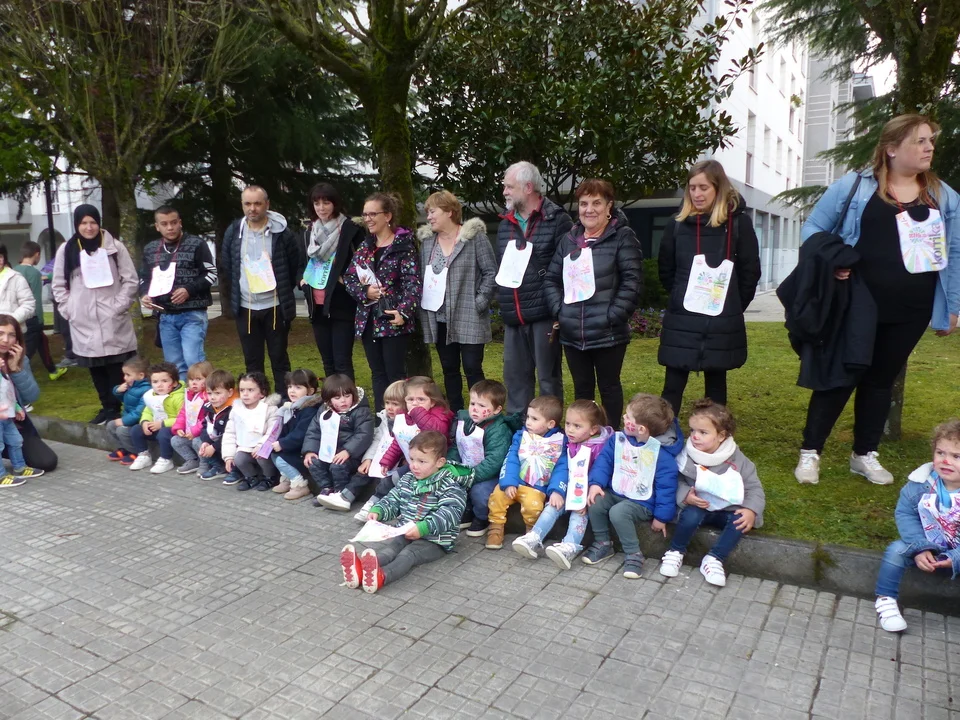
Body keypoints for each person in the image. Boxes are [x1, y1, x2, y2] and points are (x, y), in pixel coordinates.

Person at [793, 115, 960, 486]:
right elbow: (813, 229)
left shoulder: (944, 197)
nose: (929, 147)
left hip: (912, 308)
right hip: (858, 304)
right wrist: (834, 260)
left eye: (931, 140)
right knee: (841, 375)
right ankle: (810, 452)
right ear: (892, 149)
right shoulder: (854, 187)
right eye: (920, 141)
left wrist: (952, 307)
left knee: (881, 379)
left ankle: (864, 454)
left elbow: (956, 253)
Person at [657, 161, 762, 416]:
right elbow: (666, 269)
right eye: (692, 187)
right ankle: (664, 433)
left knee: (716, 386)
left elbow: (750, 272)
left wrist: (731, 305)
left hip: (720, 321)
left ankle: (714, 433)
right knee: (672, 386)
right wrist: (682, 296)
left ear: (718, 188)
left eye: (703, 187)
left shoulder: (738, 224)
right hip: (683, 319)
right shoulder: (677, 224)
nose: (697, 194)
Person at [544, 179, 642, 425]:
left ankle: (611, 436)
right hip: (572, 331)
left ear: (609, 206)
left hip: (608, 331)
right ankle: (584, 436)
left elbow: (632, 282)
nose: (589, 209)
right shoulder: (568, 240)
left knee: (609, 387)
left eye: (596, 203)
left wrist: (612, 316)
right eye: (584, 203)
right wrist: (560, 311)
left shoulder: (622, 237)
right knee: (582, 389)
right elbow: (552, 279)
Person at [339, 431, 473, 593]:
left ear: (440, 462)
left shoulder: (450, 485)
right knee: (391, 549)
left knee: (408, 554)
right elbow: (394, 498)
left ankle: (381, 576)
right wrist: (379, 510)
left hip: (436, 541)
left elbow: (449, 514)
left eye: (422, 461)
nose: (414, 465)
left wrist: (423, 527)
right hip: (406, 531)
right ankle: (360, 568)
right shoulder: (408, 479)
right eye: (412, 459)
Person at [659, 399, 764, 587]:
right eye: (692, 431)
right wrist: (686, 496)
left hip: (727, 509)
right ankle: (675, 551)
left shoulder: (738, 459)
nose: (695, 437)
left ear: (721, 436)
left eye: (703, 432)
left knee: (740, 521)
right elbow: (675, 479)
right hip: (698, 506)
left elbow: (754, 487)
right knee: (691, 515)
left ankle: (715, 559)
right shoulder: (686, 455)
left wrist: (750, 510)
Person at [495, 162, 572, 414]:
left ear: (528, 187)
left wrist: (558, 309)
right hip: (514, 315)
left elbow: (567, 268)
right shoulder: (505, 223)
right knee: (515, 379)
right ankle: (519, 429)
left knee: (548, 380)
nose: (505, 191)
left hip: (543, 314)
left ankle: (549, 429)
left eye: (509, 186)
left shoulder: (557, 220)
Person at [52, 204, 139, 425]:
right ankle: (107, 408)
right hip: (84, 321)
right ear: (77, 224)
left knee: (116, 368)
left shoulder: (114, 247)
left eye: (93, 222)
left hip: (113, 319)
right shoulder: (67, 249)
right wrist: (69, 309)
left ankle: (118, 410)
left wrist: (119, 306)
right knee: (96, 368)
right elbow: (58, 285)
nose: (89, 227)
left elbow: (130, 280)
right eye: (83, 223)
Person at [874, 419, 960, 633]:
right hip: (927, 546)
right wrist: (920, 547)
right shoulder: (920, 484)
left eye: (956, 456)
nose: (946, 461)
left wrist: (956, 558)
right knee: (896, 550)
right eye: (940, 453)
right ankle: (886, 600)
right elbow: (905, 514)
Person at [585, 394, 683, 579]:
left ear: (641, 429)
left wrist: (662, 517)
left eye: (628, 416)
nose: (624, 417)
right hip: (618, 491)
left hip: (643, 502)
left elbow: (666, 488)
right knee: (595, 501)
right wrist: (596, 484)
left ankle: (633, 554)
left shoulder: (661, 456)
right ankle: (603, 543)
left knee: (619, 512)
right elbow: (604, 462)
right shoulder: (618, 441)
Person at [221, 187, 304, 400]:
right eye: (247, 204)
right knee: (252, 360)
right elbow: (228, 265)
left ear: (267, 204)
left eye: (257, 203)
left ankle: (284, 401)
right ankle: (257, 401)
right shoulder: (234, 231)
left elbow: (293, 263)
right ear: (242, 205)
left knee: (279, 357)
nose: (253, 208)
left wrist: (282, 289)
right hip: (246, 307)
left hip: (275, 306)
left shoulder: (281, 233)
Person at [418, 191, 497, 411]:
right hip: (439, 317)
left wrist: (479, 302)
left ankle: (480, 413)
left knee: (472, 368)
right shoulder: (427, 243)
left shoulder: (474, 238)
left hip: (469, 314)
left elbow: (491, 273)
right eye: (427, 213)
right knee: (449, 368)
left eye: (432, 212)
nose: (428, 217)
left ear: (449, 212)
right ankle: (455, 414)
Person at [343, 193, 420, 411]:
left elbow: (413, 284)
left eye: (372, 214)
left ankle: (401, 419)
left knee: (395, 376)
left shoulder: (403, 246)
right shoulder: (365, 247)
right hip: (368, 320)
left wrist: (403, 312)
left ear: (387, 216)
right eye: (365, 214)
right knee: (377, 374)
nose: (367, 219)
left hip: (392, 319)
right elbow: (349, 277)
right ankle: (381, 419)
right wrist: (365, 292)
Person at [526, 400, 613, 570]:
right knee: (552, 506)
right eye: (567, 423)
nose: (570, 429)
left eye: (577, 426)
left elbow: (601, 474)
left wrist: (585, 497)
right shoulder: (570, 443)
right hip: (570, 489)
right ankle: (534, 537)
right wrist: (557, 490)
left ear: (593, 429)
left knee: (579, 515)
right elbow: (563, 468)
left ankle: (570, 547)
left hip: (588, 494)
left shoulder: (600, 448)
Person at [140, 206, 217, 380]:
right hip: (165, 315)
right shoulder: (150, 249)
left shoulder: (197, 244)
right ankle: (182, 397)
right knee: (174, 366)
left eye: (174, 222)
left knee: (193, 361)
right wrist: (145, 294)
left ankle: (203, 395)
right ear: (157, 226)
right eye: (164, 224)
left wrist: (189, 289)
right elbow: (144, 277)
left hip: (192, 313)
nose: (170, 227)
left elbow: (211, 273)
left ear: (180, 223)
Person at [301, 183, 364, 379]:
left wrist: (345, 278)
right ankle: (332, 397)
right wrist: (301, 281)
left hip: (341, 303)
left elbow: (361, 262)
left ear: (335, 204)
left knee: (342, 361)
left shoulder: (351, 229)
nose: (321, 208)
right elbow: (300, 264)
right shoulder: (309, 232)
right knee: (327, 362)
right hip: (317, 305)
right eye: (317, 203)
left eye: (326, 203)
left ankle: (347, 397)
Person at [494, 394, 569, 555]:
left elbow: (562, 468)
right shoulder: (521, 436)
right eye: (528, 417)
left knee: (533, 505)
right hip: (515, 482)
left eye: (534, 419)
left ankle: (531, 532)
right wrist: (509, 482)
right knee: (497, 496)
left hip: (536, 487)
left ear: (550, 424)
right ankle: (496, 527)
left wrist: (557, 490)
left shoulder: (559, 442)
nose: (528, 422)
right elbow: (512, 458)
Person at [448, 380, 515, 542]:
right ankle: (467, 510)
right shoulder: (466, 422)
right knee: (452, 483)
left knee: (480, 492)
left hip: (491, 475)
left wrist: (471, 476)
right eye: (472, 403)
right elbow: (458, 446)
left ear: (497, 410)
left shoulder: (498, 430)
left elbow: (494, 461)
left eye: (482, 406)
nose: (475, 409)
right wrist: (450, 465)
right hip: (468, 469)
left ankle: (482, 516)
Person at [0, 315, 58, 472]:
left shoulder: (20, 359)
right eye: (1, 333)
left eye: (11, 335)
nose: (5, 340)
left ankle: (10, 450)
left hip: (12, 423)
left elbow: (32, 396)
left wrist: (15, 370)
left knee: (47, 461)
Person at [303, 374, 374, 500]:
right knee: (313, 462)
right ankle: (326, 488)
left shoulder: (361, 411)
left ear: (353, 395)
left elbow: (364, 434)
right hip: (328, 452)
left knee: (338, 465)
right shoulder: (324, 410)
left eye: (347, 396)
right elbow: (314, 431)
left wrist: (348, 451)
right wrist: (310, 451)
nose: (343, 401)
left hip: (353, 455)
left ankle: (339, 492)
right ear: (329, 399)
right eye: (337, 397)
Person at [350, 380, 408, 520]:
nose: (389, 408)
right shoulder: (385, 419)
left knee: (389, 480)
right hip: (382, 458)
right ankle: (346, 495)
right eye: (387, 403)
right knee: (363, 471)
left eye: (395, 404)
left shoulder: (408, 423)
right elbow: (377, 440)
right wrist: (368, 458)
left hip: (398, 463)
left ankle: (374, 504)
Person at [378, 376, 454, 474]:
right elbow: (399, 440)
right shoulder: (404, 416)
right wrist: (387, 461)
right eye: (410, 399)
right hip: (414, 464)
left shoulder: (439, 415)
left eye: (421, 399)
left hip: (435, 467)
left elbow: (437, 432)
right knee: (392, 479)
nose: (414, 403)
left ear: (432, 402)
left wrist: (418, 413)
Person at [268, 369, 323, 501]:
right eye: (290, 387)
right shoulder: (291, 407)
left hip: (303, 450)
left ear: (310, 391)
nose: (292, 391)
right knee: (273, 454)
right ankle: (288, 478)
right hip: (292, 446)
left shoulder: (309, 410)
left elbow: (301, 434)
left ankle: (300, 484)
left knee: (281, 458)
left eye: (298, 387)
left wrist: (283, 444)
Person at [15, 242, 66, 381]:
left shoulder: (14, 271)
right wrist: (40, 320)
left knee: (42, 341)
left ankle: (52, 370)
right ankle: (15, 371)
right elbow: (35, 300)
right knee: (28, 350)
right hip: (33, 317)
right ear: (37, 254)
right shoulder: (34, 273)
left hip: (18, 315)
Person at [222, 371, 280, 491]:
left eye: (250, 390)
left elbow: (273, 432)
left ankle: (270, 477)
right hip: (245, 448)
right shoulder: (237, 410)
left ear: (262, 392)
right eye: (242, 390)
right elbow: (230, 433)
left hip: (265, 449)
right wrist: (228, 456)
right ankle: (251, 477)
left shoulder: (270, 409)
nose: (245, 394)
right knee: (239, 458)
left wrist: (261, 445)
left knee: (262, 456)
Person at [127, 362, 186, 474]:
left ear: (174, 383)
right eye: (155, 382)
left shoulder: (179, 397)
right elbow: (148, 411)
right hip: (155, 426)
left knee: (164, 432)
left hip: (174, 429)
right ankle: (144, 455)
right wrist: (145, 422)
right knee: (136, 429)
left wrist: (162, 424)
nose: (159, 385)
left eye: (164, 381)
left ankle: (166, 459)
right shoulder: (152, 396)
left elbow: (182, 418)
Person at [169, 361, 214, 474]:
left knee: (197, 441)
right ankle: (192, 460)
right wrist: (179, 427)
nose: (194, 383)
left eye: (198, 379)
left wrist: (195, 431)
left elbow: (207, 419)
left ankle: (205, 463)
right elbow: (183, 413)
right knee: (176, 440)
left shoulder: (208, 397)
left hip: (205, 435)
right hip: (190, 433)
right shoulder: (189, 395)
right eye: (191, 379)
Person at [105, 356, 150, 465]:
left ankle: (135, 452)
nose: (125, 378)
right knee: (110, 425)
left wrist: (124, 421)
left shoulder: (147, 390)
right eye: (124, 374)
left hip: (138, 422)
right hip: (129, 418)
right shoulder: (131, 385)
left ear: (141, 375)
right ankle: (123, 448)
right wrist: (118, 391)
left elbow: (139, 412)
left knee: (122, 430)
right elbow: (126, 400)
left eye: (128, 375)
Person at [197, 369, 238, 482]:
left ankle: (236, 471)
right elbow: (205, 425)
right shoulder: (209, 407)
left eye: (217, 393)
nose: (212, 397)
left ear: (230, 392)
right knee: (199, 442)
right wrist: (206, 441)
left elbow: (232, 435)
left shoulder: (234, 409)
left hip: (232, 441)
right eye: (209, 393)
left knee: (235, 449)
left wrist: (214, 447)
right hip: (217, 439)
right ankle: (219, 466)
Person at [0, 245, 35, 326]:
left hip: (11, 330)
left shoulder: (16, 278)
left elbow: (29, 304)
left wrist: (11, 321)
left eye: (0, 256)